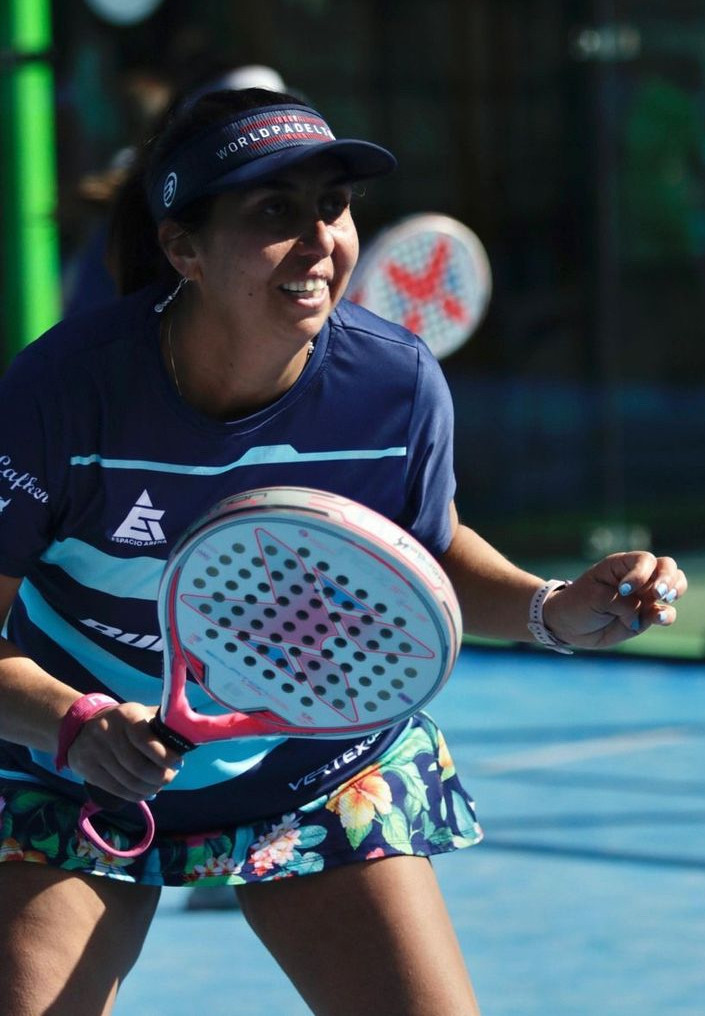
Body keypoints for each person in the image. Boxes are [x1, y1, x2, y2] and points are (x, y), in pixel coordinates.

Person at [0, 87, 686, 1016]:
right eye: (273, 212)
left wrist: (550, 608)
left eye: (332, 206)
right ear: (183, 249)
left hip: (313, 769)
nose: (320, 240)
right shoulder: (61, 390)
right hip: (65, 767)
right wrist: (73, 723)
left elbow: (422, 556)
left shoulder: (394, 386)